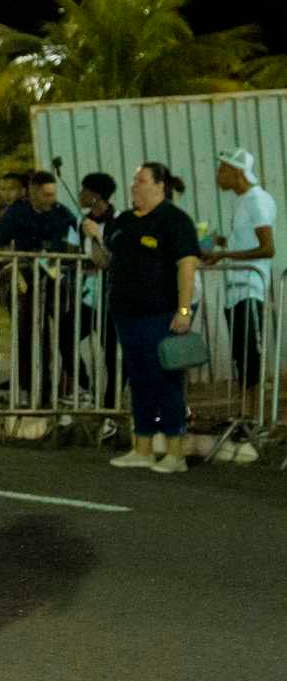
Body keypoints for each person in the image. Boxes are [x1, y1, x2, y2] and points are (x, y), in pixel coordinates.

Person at [95, 163, 200, 474]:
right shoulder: (124, 221)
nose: (134, 186)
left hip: (161, 313)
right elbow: (106, 261)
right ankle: (141, 447)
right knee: (138, 379)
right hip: (127, 313)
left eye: (140, 181)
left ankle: (175, 452)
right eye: (133, 181)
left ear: (159, 185)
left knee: (165, 379)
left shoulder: (175, 220)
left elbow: (187, 265)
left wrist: (183, 310)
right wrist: (95, 238)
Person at [0, 170, 79, 404]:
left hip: (57, 280)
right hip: (26, 281)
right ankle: (32, 387)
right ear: (32, 192)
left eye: (53, 194)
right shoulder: (17, 212)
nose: (51, 199)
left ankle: (71, 384)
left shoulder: (62, 213)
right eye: (46, 194)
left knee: (65, 335)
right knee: (29, 335)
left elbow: (76, 241)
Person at [205, 148, 276, 421]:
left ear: (237, 172)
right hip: (235, 291)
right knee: (241, 356)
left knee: (251, 356)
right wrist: (222, 242)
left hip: (250, 289)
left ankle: (254, 416)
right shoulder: (243, 201)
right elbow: (247, 241)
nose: (218, 175)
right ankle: (245, 413)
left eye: (222, 170)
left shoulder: (257, 201)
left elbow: (267, 248)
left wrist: (225, 255)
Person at [74, 173, 121, 411]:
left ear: (96, 195)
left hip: (110, 295)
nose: (80, 194)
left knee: (110, 348)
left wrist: (97, 236)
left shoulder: (119, 221)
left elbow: (115, 258)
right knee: (67, 335)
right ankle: (84, 386)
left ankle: (112, 399)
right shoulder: (81, 222)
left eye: (84, 190)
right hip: (87, 294)